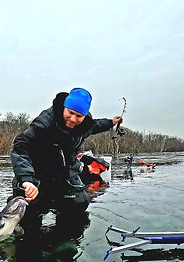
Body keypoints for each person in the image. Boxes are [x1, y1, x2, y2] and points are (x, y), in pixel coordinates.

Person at [10, 88, 123, 232]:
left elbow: (95, 126)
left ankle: (64, 237)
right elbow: (20, 146)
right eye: (70, 113)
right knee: (26, 209)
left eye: (79, 116)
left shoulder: (84, 124)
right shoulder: (44, 123)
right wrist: (26, 179)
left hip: (64, 171)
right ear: (65, 107)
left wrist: (111, 122)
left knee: (79, 201)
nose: (73, 119)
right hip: (37, 171)